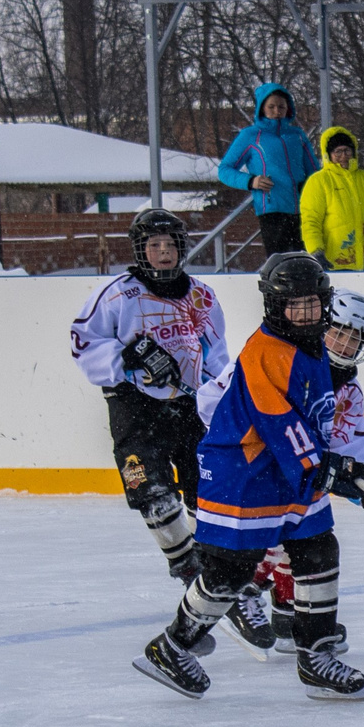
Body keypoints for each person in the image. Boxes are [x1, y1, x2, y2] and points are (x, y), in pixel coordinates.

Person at [133, 252, 364, 703]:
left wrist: (341, 463)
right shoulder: (266, 351)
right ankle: (173, 647)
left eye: (312, 306)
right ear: (274, 307)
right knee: (229, 569)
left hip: (289, 468)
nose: (304, 315)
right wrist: (320, 465)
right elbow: (278, 420)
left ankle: (316, 656)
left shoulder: (315, 347)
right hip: (241, 469)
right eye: (293, 307)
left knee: (318, 549)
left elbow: (314, 418)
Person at [68, 209, 230, 589]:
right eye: (154, 245)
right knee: (151, 492)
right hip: (135, 408)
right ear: (141, 250)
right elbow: (82, 343)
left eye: (170, 245)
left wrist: (214, 399)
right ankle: (189, 569)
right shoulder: (116, 295)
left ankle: (217, 566)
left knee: (206, 489)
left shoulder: (201, 296)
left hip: (190, 408)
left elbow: (216, 356)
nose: (163, 252)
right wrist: (125, 358)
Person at [217, 83, 316, 259]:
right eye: (271, 106)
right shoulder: (250, 135)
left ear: (288, 108)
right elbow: (224, 170)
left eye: (281, 106)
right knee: (280, 262)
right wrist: (251, 181)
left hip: (304, 209)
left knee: (306, 261)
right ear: (262, 108)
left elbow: (314, 171)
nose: (277, 111)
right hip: (272, 210)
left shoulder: (297, 135)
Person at [299, 126, 364, 273]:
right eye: (337, 151)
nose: (343, 156)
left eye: (347, 150)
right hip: (335, 263)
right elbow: (311, 221)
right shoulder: (318, 181)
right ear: (328, 154)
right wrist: (316, 251)